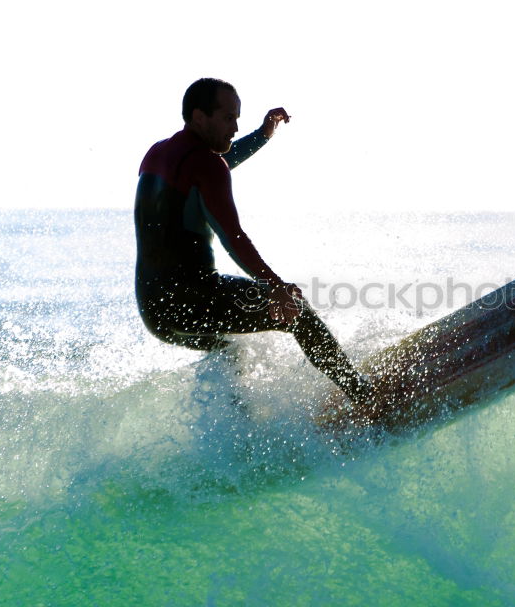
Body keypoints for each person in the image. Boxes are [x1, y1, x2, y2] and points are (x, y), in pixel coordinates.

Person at [134, 77, 372, 407]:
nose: (234, 127)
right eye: (228, 117)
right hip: (193, 298)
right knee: (298, 313)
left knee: (228, 350)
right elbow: (233, 237)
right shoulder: (207, 165)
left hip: (155, 309)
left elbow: (216, 164)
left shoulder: (159, 154)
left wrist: (262, 136)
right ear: (200, 117)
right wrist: (276, 286)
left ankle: (234, 428)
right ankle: (365, 395)